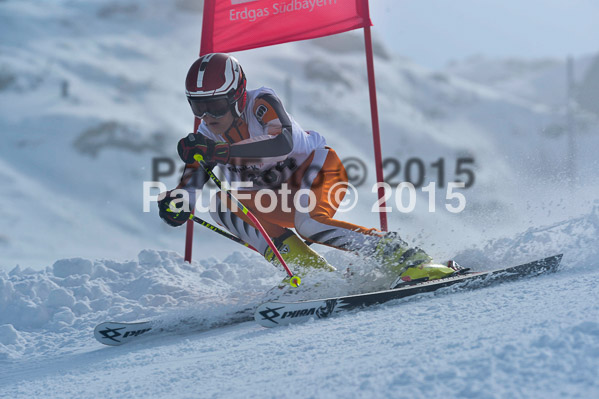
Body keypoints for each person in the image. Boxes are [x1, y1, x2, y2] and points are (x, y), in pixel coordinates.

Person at [158, 53, 455, 286]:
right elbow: (191, 184)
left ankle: (407, 256)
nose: (208, 116)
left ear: (237, 95)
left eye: (217, 105)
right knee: (220, 205)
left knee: (310, 224)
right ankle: (312, 274)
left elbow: (281, 142)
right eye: (198, 107)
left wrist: (220, 152)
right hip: (278, 194)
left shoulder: (260, 102)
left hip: (321, 170)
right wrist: (176, 203)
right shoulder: (208, 135)